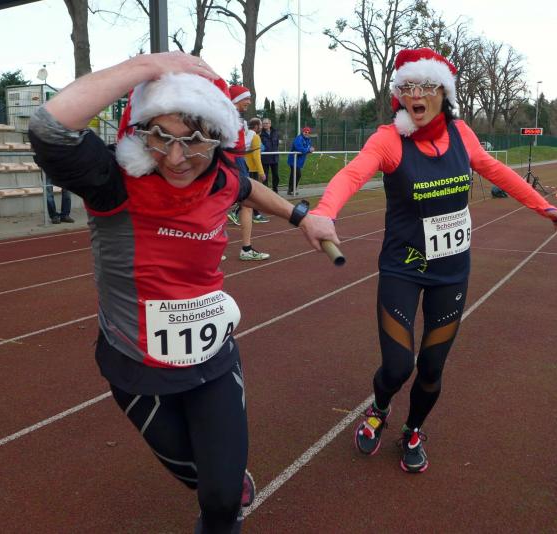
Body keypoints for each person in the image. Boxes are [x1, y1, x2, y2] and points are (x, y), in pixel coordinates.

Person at [27, 52, 338, 533]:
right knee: (198, 476)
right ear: (141, 133)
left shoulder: (219, 174)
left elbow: (245, 187)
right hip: (138, 369)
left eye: (194, 141)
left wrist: (301, 217)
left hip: (212, 358)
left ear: (218, 138)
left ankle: (223, 491)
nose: (176, 158)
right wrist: (147, 67)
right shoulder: (112, 181)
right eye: (161, 137)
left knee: (222, 500)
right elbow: (50, 126)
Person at [309, 48, 557, 473]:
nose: (417, 94)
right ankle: (379, 408)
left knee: (430, 368)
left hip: (451, 272)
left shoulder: (461, 134)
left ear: (444, 93)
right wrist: (325, 211)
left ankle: (413, 429)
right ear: (399, 95)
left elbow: (496, 171)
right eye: (408, 86)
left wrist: (544, 206)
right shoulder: (389, 140)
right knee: (397, 366)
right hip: (403, 269)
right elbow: (352, 174)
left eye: (427, 86)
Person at [227, 85, 270, 261]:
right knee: (246, 203)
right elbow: (235, 146)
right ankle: (245, 248)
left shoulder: (233, 117)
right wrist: (250, 137)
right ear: (236, 99)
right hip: (232, 162)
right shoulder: (229, 118)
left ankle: (244, 248)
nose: (249, 102)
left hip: (233, 161)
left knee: (245, 203)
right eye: (246, 98)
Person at [244, 117, 270, 223]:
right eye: (260, 125)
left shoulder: (247, 135)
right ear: (256, 126)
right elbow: (256, 157)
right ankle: (236, 212)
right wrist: (261, 172)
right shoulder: (255, 137)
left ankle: (256, 214)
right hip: (252, 169)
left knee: (251, 193)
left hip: (247, 167)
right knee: (252, 193)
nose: (262, 127)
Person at [286, 125, 314, 195]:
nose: (307, 133)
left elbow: (308, 148)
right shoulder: (299, 138)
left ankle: (292, 190)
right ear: (302, 132)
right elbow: (300, 148)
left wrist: (311, 149)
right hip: (294, 159)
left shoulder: (308, 140)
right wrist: (308, 150)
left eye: (308, 132)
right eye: (305, 132)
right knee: (297, 174)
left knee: (295, 174)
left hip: (299, 160)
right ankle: (291, 190)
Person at [260, 118, 281, 193]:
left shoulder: (275, 132)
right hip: (265, 157)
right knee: (265, 175)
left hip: (274, 157)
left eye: (266, 123)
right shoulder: (260, 133)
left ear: (270, 124)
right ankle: (265, 191)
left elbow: (277, 143)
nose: (265, 125)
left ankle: (275, 189)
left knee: (276, 175)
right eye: (263, 123)